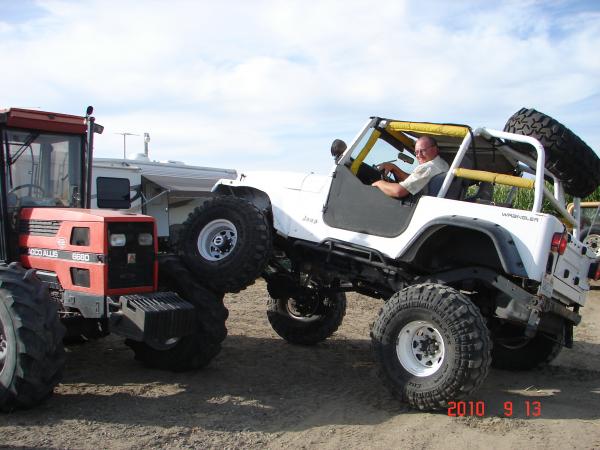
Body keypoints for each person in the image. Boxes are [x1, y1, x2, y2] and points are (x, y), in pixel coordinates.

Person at [372, 136, 449, 198]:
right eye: (416, 152)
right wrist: (394, 168)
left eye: (422, 150)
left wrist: (379, 183)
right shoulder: (441, 163)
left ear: (435, 149)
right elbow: (415, 181)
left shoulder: (428, 167)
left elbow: (399, 191)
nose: (419, 155)